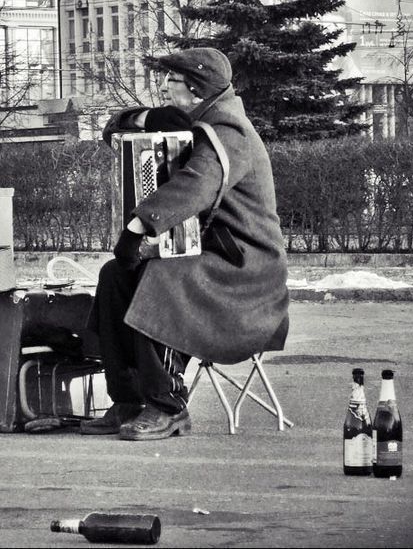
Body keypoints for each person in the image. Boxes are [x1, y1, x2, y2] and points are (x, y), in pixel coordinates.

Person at [81, 47, 289, 441]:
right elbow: (112, 132)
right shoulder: (195, 122)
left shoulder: (230, 130)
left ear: (195, 88)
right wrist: (147, 118)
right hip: (212, 259)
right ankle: (127, 399)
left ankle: (167, 406)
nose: (164, 86)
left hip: (247, 273)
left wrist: (139, 226)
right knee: (115, 275)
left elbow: (197, 184)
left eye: (171, 81)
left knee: (159, 277)